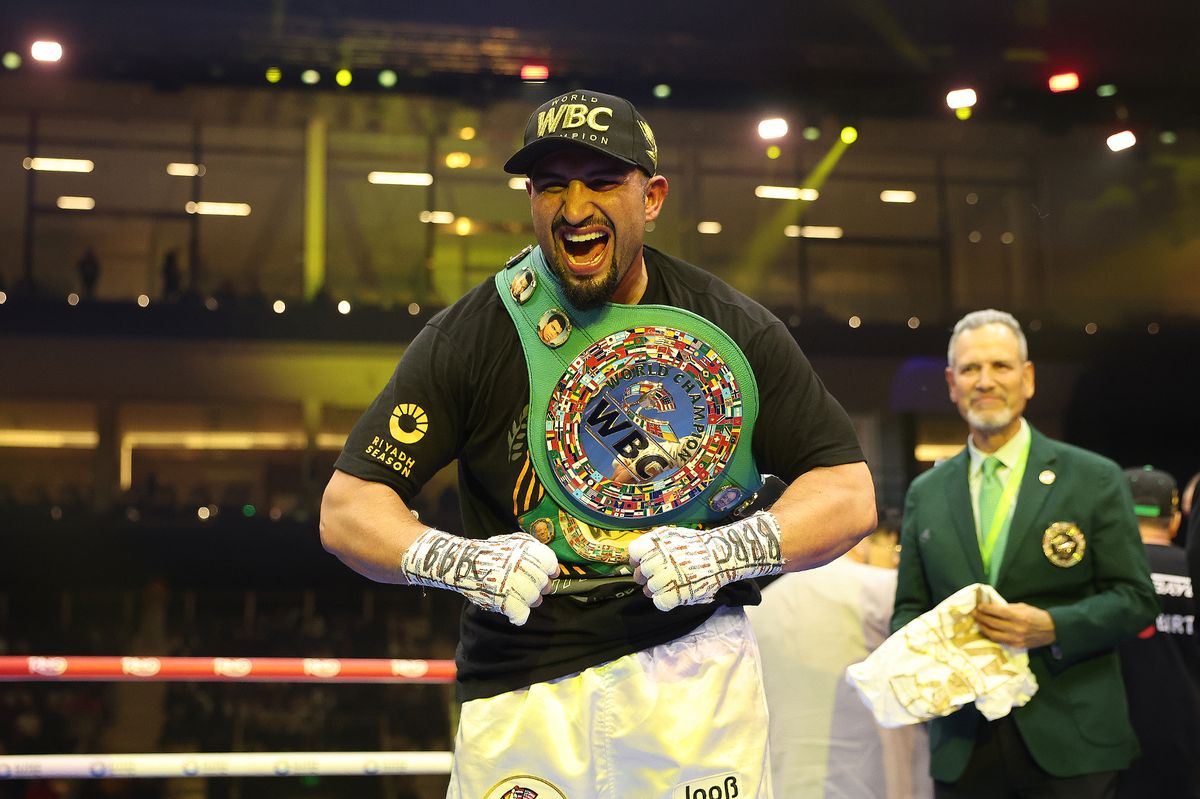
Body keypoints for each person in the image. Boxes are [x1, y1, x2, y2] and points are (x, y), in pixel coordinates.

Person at [320, 88, 876, 798]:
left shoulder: (733, 327)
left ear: (653, 197)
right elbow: (346, 507)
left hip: (692, 677)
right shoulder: (476, 332)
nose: (575, 207)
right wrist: (457, 560)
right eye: (552, 185)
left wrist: (725, 551)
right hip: (522, 682)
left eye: (603, 181)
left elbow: (847, 491)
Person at [891, 308, 1158, 798]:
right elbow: (909, 608)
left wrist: (1054, 626)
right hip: (964, 741)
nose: (985, 381)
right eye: (970, 370)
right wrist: (933, 651)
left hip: (1073, 740)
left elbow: (1137, 598)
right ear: (951, 384)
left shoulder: (1094, 478)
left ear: (1028, 378)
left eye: (1000, 366)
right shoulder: (925, 493)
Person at [748, 519, 933, 798]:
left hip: (786, 777)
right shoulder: (881, 589)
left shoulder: (758, 608)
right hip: (876, 776)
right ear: (863, 540)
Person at [1116, 466, 1200, 799]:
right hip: (1188, 740)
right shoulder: (1193, 571)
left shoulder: (1102, 573)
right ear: (1176, 521)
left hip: (1113, 740)